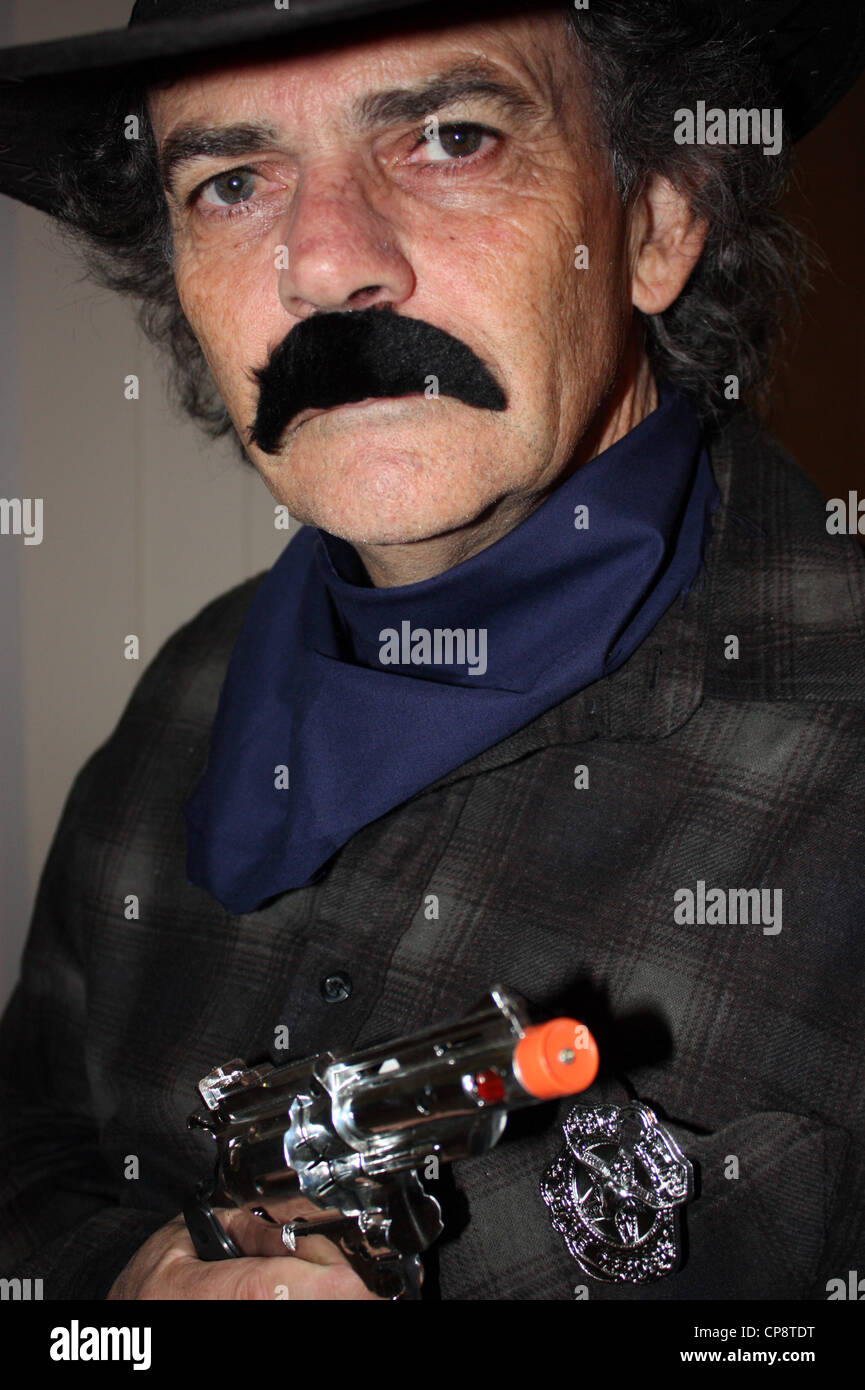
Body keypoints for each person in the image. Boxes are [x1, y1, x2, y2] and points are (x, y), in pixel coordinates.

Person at [0, 0, 863, 1301]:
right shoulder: (186, 689)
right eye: (232, 181)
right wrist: (123, 1282)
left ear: (655, 222)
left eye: (451, 137)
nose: (326, 262)